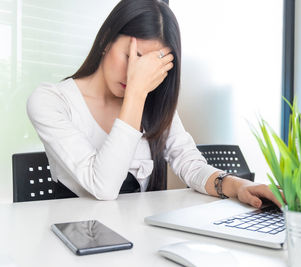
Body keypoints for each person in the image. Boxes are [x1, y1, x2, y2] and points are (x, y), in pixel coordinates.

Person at [27, 0, 279, 208]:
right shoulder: (51, 101)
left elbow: (190, 164)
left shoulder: (151, 101)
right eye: (131, 57)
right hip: (74, 242)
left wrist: (239, 185)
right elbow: (102, 187)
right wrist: (136, 93)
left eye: (149, 68)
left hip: (139, 238)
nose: (134, 75)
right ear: (106, 39)